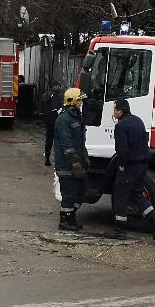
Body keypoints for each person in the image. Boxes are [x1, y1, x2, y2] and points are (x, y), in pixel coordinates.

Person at [111, 98, 155, 239]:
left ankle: (119, 230)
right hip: (142, 165)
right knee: (137, 194)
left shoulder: (121, 126)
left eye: (115, 110)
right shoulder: (138, 121)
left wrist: (121, 164)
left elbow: (122, 150)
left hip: (129, 167)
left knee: (121, 195)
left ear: (120, 111)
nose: (113, 113)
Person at [53, 87, 89, 232]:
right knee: (68, 193)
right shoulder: (63, 119)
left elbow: (80, 141)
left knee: (81, 191)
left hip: (77, 163)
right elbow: (66, 144)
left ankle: (71, 216)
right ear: (73, 101)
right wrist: (74, 162)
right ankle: (65, 221)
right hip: (67, 165)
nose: (82, 102)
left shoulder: (76, 116)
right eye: (80, 100)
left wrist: (84, 156)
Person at [41, 80, 63, 166]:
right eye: (57, 86)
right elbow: (56, 108)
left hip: (48, 121)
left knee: (49, 140)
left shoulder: (46, 94)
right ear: (54, 86)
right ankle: (56, 159)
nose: (59, 87)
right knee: (57, 141)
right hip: (55, 120)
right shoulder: (55, 95)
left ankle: (47, 158)